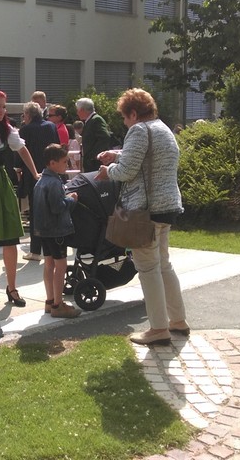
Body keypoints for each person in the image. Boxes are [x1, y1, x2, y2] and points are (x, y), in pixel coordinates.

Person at [96, 88, 187, 346]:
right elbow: (149, 158)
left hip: (145, 211)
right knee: (164, 264)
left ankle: (158, 329)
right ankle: (178, 320)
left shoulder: (138, 130)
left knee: (147, 268)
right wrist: (118, 154)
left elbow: (126, 172)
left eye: (125, 117)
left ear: (134, 113)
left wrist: (108, 170)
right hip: (167, 207)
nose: (125, 123)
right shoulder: (163, 128)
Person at [0, 90, 40, 308]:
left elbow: (23, 150)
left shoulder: (8, 130)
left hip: (2, 186)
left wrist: (35, 173)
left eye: (4, 106)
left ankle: (12, 288)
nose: (2, 110)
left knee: (10, 239)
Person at [34, 144, 81, 319]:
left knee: (49, 264)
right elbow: (57, 207)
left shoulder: (41, 181)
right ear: (52, 163)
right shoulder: (54, 182)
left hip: (43, 230)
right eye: (64, 162)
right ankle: (58, 305)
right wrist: (71, 199)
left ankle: (50, 301)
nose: (66, 165)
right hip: (56, 231)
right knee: (60, 266)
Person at [18, 101, 60, 262]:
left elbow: (20, 153)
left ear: (28, 115)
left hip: (33, 174)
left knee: (36, 212)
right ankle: (54, 248)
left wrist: (17, 169)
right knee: (52, 209)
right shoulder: (51, 126)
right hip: (52, 171)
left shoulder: (25, 129)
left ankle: (35, 250)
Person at [76, 97, 113, 173]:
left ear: (82, 110)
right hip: (92, 164)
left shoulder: (96, 120)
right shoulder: (90, 120)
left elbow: (105, 137)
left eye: (78, 110)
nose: (77, 113)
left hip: (95, 164)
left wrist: (93, 156)